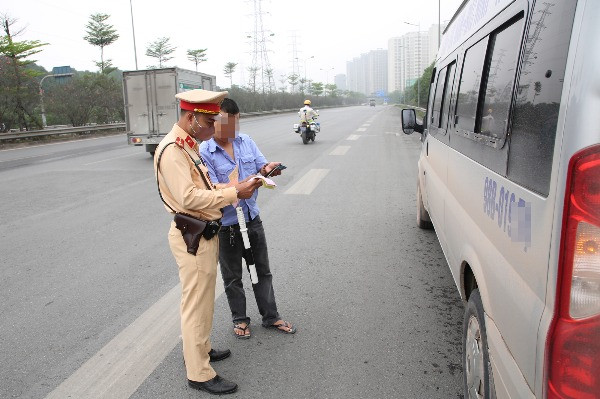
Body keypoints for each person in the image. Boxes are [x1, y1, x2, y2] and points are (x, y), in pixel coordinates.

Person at [154, 89, 261, 395]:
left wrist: (232, 186)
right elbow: (188, 197)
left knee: (202, 301)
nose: (214, 129)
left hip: (204, 231)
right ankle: (199, 372)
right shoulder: (173, 150)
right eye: (209, 122)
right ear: (191, 118)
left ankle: (200, 349)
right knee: (196, 305)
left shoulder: (188, 146)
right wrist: (231, 193)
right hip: (193, 235)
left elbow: (202, 185)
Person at [200, 98, 297, 339]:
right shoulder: (205, 151)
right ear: (214, 122)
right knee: (233, 277)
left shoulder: (246, 141)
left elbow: (260, 166)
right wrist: (240, 186)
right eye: (224, 125)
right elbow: (211, 187)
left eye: (234, 124)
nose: (231, 131)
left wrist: (268, 169)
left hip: (252, 218)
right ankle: (240, 320)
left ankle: (271, 316)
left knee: (262, 271)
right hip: (227, 225)